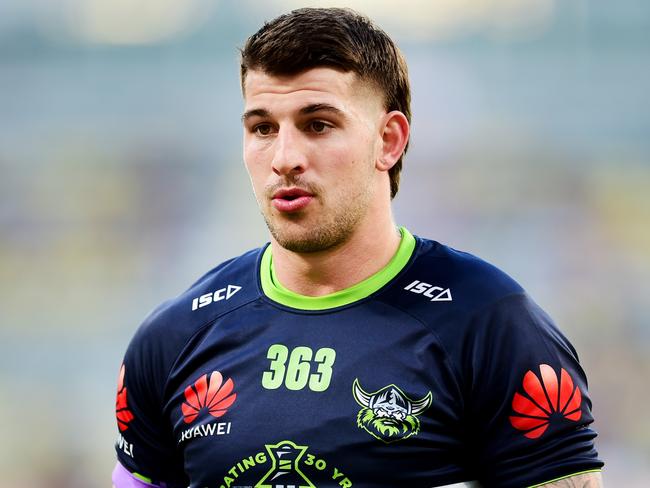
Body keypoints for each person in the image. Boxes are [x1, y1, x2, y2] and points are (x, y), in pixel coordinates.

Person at [113, 7, 604, 488]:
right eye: (263, 128)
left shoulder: (491, 325)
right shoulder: (175, 336)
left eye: (318, 124)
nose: (284, 158)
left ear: (388, 141)